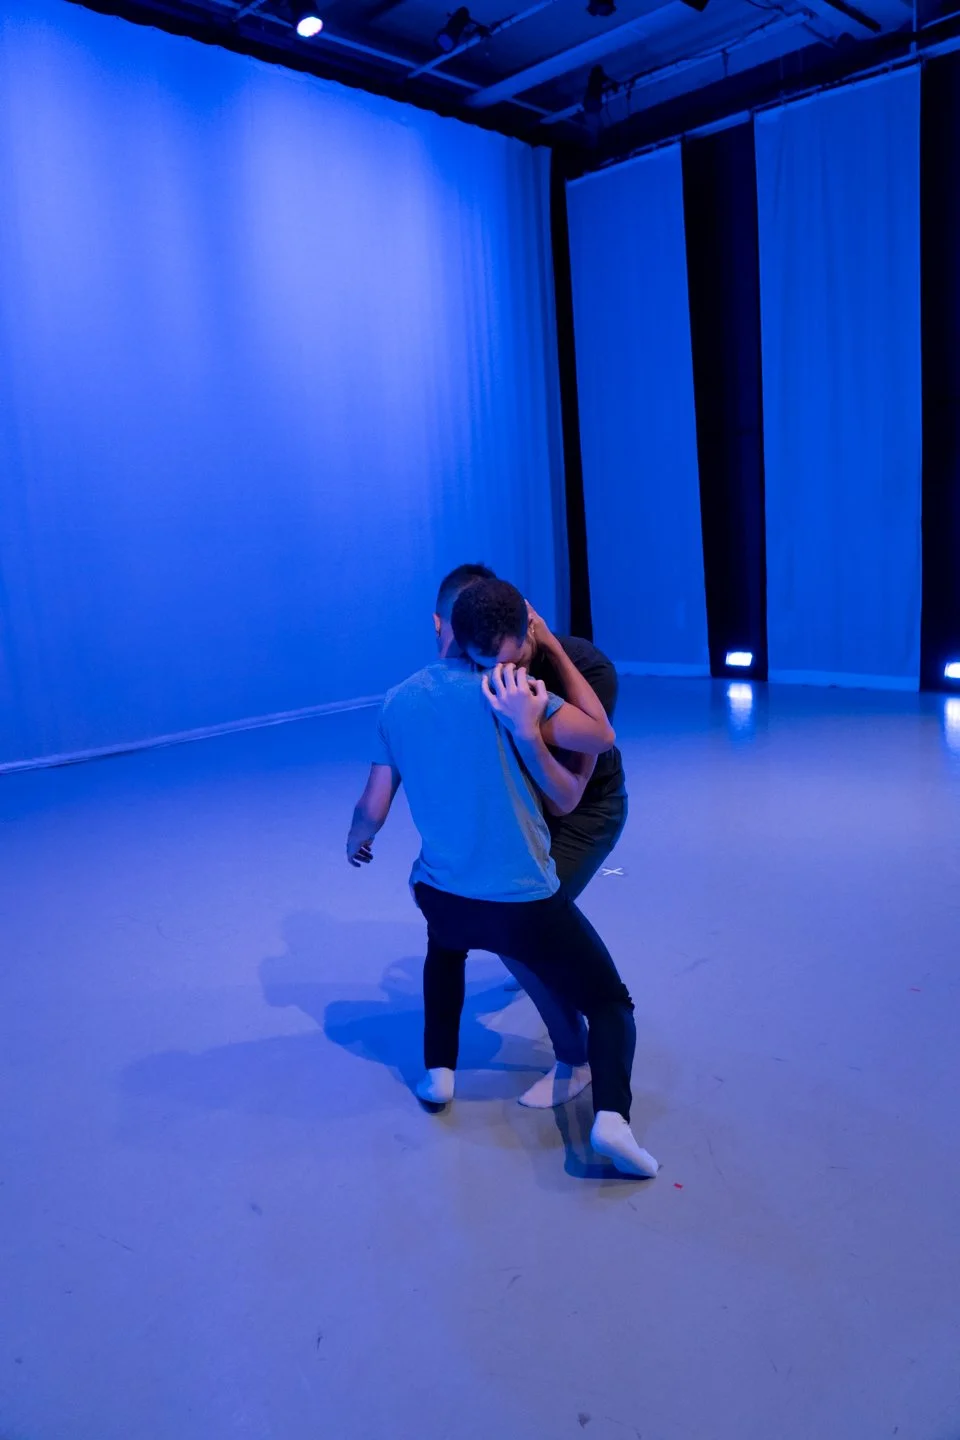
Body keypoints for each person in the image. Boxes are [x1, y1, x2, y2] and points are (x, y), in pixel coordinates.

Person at [346, 578, 658, 1179]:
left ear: (447, 628)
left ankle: (438, 1073)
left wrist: (357, 840)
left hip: (442, 894)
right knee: (610, 1003)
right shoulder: (514, 692)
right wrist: (529, 720)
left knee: (445, 951)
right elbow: (600, 736)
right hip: (521, 898)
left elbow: (372, 807)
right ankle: (611, 1119)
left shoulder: (398, 700)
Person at [430, 563, 628, 1110]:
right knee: (499, 918)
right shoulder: (474, 665)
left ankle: (575, 1058)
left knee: (520, 927)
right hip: (523, 811)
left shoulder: (587, 670)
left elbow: (568, 795)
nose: (499, 670)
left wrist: (528, 725)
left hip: (585, 811)